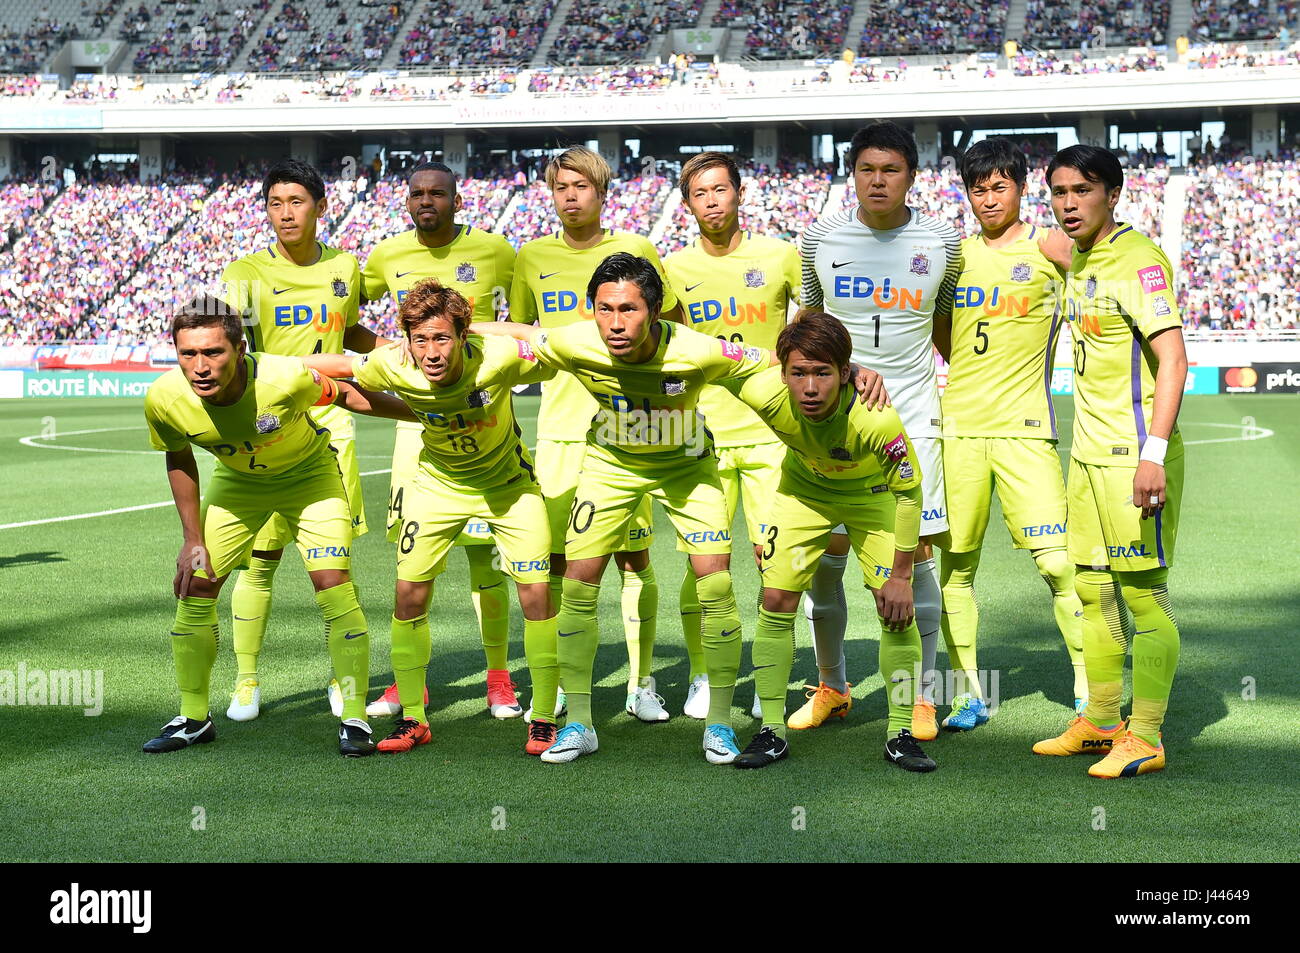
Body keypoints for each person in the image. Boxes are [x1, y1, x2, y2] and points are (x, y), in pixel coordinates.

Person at [141, 296, 414, 757]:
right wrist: (192, 539)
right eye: (188, 354)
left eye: (214, 352)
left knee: (332, 584)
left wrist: (424, 414)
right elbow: (179, 456)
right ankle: (192, 718)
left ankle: (354, 716)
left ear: (240, 348)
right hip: (238, 484)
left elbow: (344, 393)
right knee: (197, 586)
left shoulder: (283, 377)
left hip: (310, 477)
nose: (201, 366)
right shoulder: (164, 399)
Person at [306, 281, 563, 755]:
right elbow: (341, 366)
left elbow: (548, 339)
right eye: (420, 339)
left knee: (536, 595)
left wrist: (479, 323)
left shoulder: (500, 358)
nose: (431, 352)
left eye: (442, 338)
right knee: (408, 597)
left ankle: (544, 716)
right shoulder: (395, 362)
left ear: (463, 336)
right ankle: (414, 719)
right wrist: (259, 367)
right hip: (436, 489)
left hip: (508, 490)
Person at [795, 121, 962, 739]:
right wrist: (843, 370)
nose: (878, 180)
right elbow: (812, 321)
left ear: (912, 176)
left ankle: (921, 696)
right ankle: (832, 685)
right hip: (836, 421)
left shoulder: (944, 242)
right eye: (867, 169)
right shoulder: (819, 239)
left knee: (913, 555)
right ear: (853, 175)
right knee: (827, 555)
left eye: (890, 170)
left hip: (914, 414)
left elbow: (946, 325)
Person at [218, 158, 393, 722]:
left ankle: (344, 680)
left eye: (297, 202)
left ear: (321, 206)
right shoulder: (244, 272)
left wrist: (393, 348)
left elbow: (352, 328)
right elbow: (233, 351)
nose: (286, 213)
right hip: (270, 428)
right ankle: (246, 681)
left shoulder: (346, 266)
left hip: (333, 424)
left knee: (334, 567)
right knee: (260, 561)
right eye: (275, 203)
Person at [509, 146, 679, 723]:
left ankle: (640, 684)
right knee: (557, 564)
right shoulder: (531, 256)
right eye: (560, 187)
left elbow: (672, 327)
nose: (571, 195)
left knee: (633, 559)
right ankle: (556, 686)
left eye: (582, 186)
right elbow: (522, 336)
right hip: (557, 432)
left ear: (602, 192)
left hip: (625, 427)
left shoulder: (636, 252)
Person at [1034, 145, 1187, 778]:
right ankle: (1101, 719)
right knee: (1091, 592)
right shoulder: (1084, 255)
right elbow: (1053, 245)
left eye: (1083, 191)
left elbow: (1176, 360)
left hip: (1133, 460)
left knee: (1143, 598)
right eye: (1059, 192)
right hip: (1085, 455)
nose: (1068, 204)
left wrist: (1153, 455)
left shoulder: (1139, 260)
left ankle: (1146, 734)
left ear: (1113, 195)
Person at [359, 160, 526, 721]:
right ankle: (409, 686)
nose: (426, 200)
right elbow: (345, 319)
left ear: (458, 198)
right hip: (420, 428)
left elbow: (521, 325)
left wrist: (471, 335)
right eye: (417, 193)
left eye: (437, 193)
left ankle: (499, 680)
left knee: (486, 561)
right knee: (413, 567)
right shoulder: (385, 256)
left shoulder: (498, 251)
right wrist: (393, 345)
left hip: (482, 418)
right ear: (407, 200)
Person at [930, 137, 1086, 731]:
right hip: (959, 430)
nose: (988, 197)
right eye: (978, 188)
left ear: (1022, 189)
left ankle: (1085, 689)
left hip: (1027, 432)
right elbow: (943, 334)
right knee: (956, 567)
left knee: (1058, 565)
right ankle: (969, 692)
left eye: (1000, 186)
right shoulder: (954, 257)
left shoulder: (1049, 247)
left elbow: (1102, 277)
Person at [736, 312, 934, 772]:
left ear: (845, 373)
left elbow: (909, 495)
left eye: (823, 372)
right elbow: (707, 357)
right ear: (781, 372)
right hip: (804, 494)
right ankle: (770, 729)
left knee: (894, 608)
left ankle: (901, 732)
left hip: (874, 499)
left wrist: (902, 576)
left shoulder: (876, 420)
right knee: (776, 598)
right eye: (798, 373)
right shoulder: (762, 391)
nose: (809, 388)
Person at [663, 151, 800, 720]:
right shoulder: (672, 267)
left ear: (739, 193)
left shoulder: (780, 255)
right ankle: (704, 675)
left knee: (778, 567)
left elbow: (813, 330)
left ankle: (774, 680)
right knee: (705, 569)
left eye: (721, 189)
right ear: (687, 204)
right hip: (700, 436)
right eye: (701, 193)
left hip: (771, 435)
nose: (712, 200)